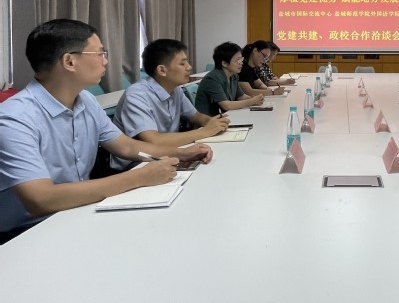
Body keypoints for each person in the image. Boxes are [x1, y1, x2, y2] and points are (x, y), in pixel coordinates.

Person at [0, 19, 212, 242]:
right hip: (23, 233)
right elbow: (41, 199)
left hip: (74, 211)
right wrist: (139, 177)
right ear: (70, 61)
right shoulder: (15, 117)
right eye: (100, 53)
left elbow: (126, 146)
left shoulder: (86, 101)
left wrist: (182, 153)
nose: (106, 61)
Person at [110, 39, 230, 171]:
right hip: (137, 163)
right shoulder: (137, 95)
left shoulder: (175, 89)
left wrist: (211, 122)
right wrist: (205, 131)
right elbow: (153, 141)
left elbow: (195, 116)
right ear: (162, 70)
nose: (189, 67)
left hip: (169, 152)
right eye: (182, 63)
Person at [194, 42, 265, 115]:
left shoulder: (234, 76)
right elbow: (226, 106)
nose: (241, 63)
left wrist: (255, 99)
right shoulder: (212, 78)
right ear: (224, 63)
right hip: (208, 120)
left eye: (241, 59)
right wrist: (251, 101)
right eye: (237, 60)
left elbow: (241, 96)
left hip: (224, 116)